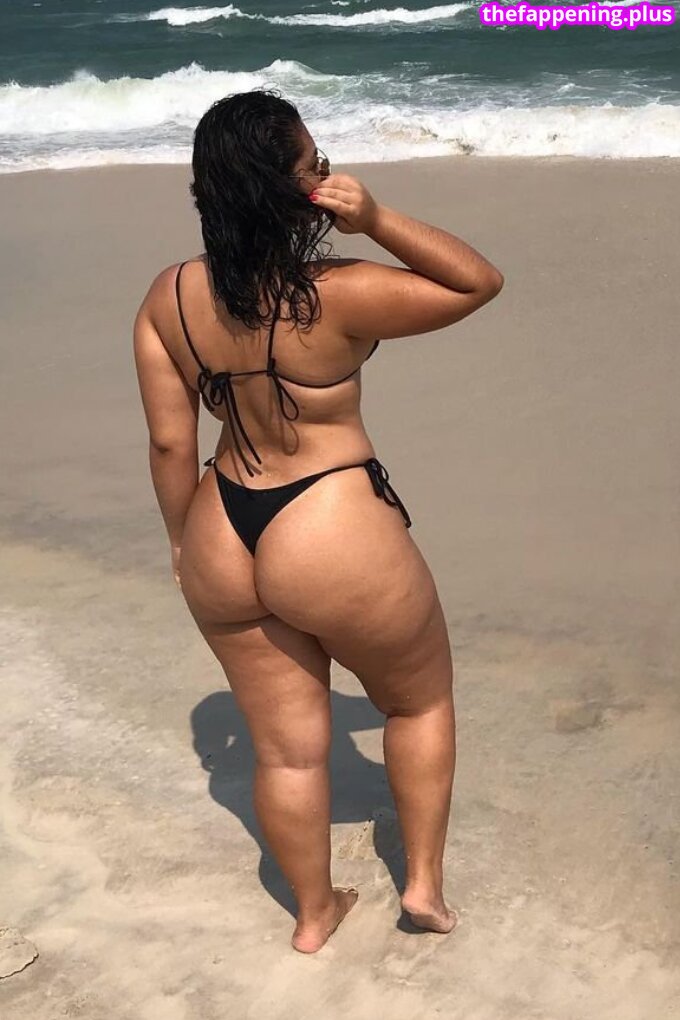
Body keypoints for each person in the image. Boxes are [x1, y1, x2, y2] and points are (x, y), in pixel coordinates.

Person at [133, 88, 503, 954]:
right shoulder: (336, 293)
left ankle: (312, 915)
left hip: (223, 523)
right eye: (316, 165)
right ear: (295, 190)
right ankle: (422, 889)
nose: (324, 173)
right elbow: (476, 280)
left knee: (287, 752)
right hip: (328, 521)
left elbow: (169, 442)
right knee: (418, 702)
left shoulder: (170, 296)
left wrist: (181, 541)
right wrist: (374, 217)